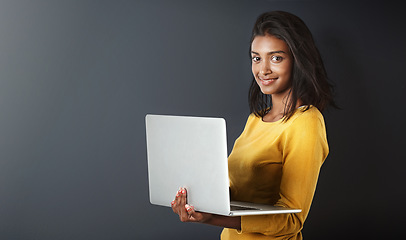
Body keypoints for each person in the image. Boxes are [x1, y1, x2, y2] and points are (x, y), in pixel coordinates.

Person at [171, 10, 336, 240]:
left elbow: (291, 220)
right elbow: (237, 192)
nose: (263, 69)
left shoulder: (306, 122)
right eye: (256, 58)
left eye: (276, 58)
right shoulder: (255, 119)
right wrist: (197, 202)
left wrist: (212, 218)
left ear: (298, 60)